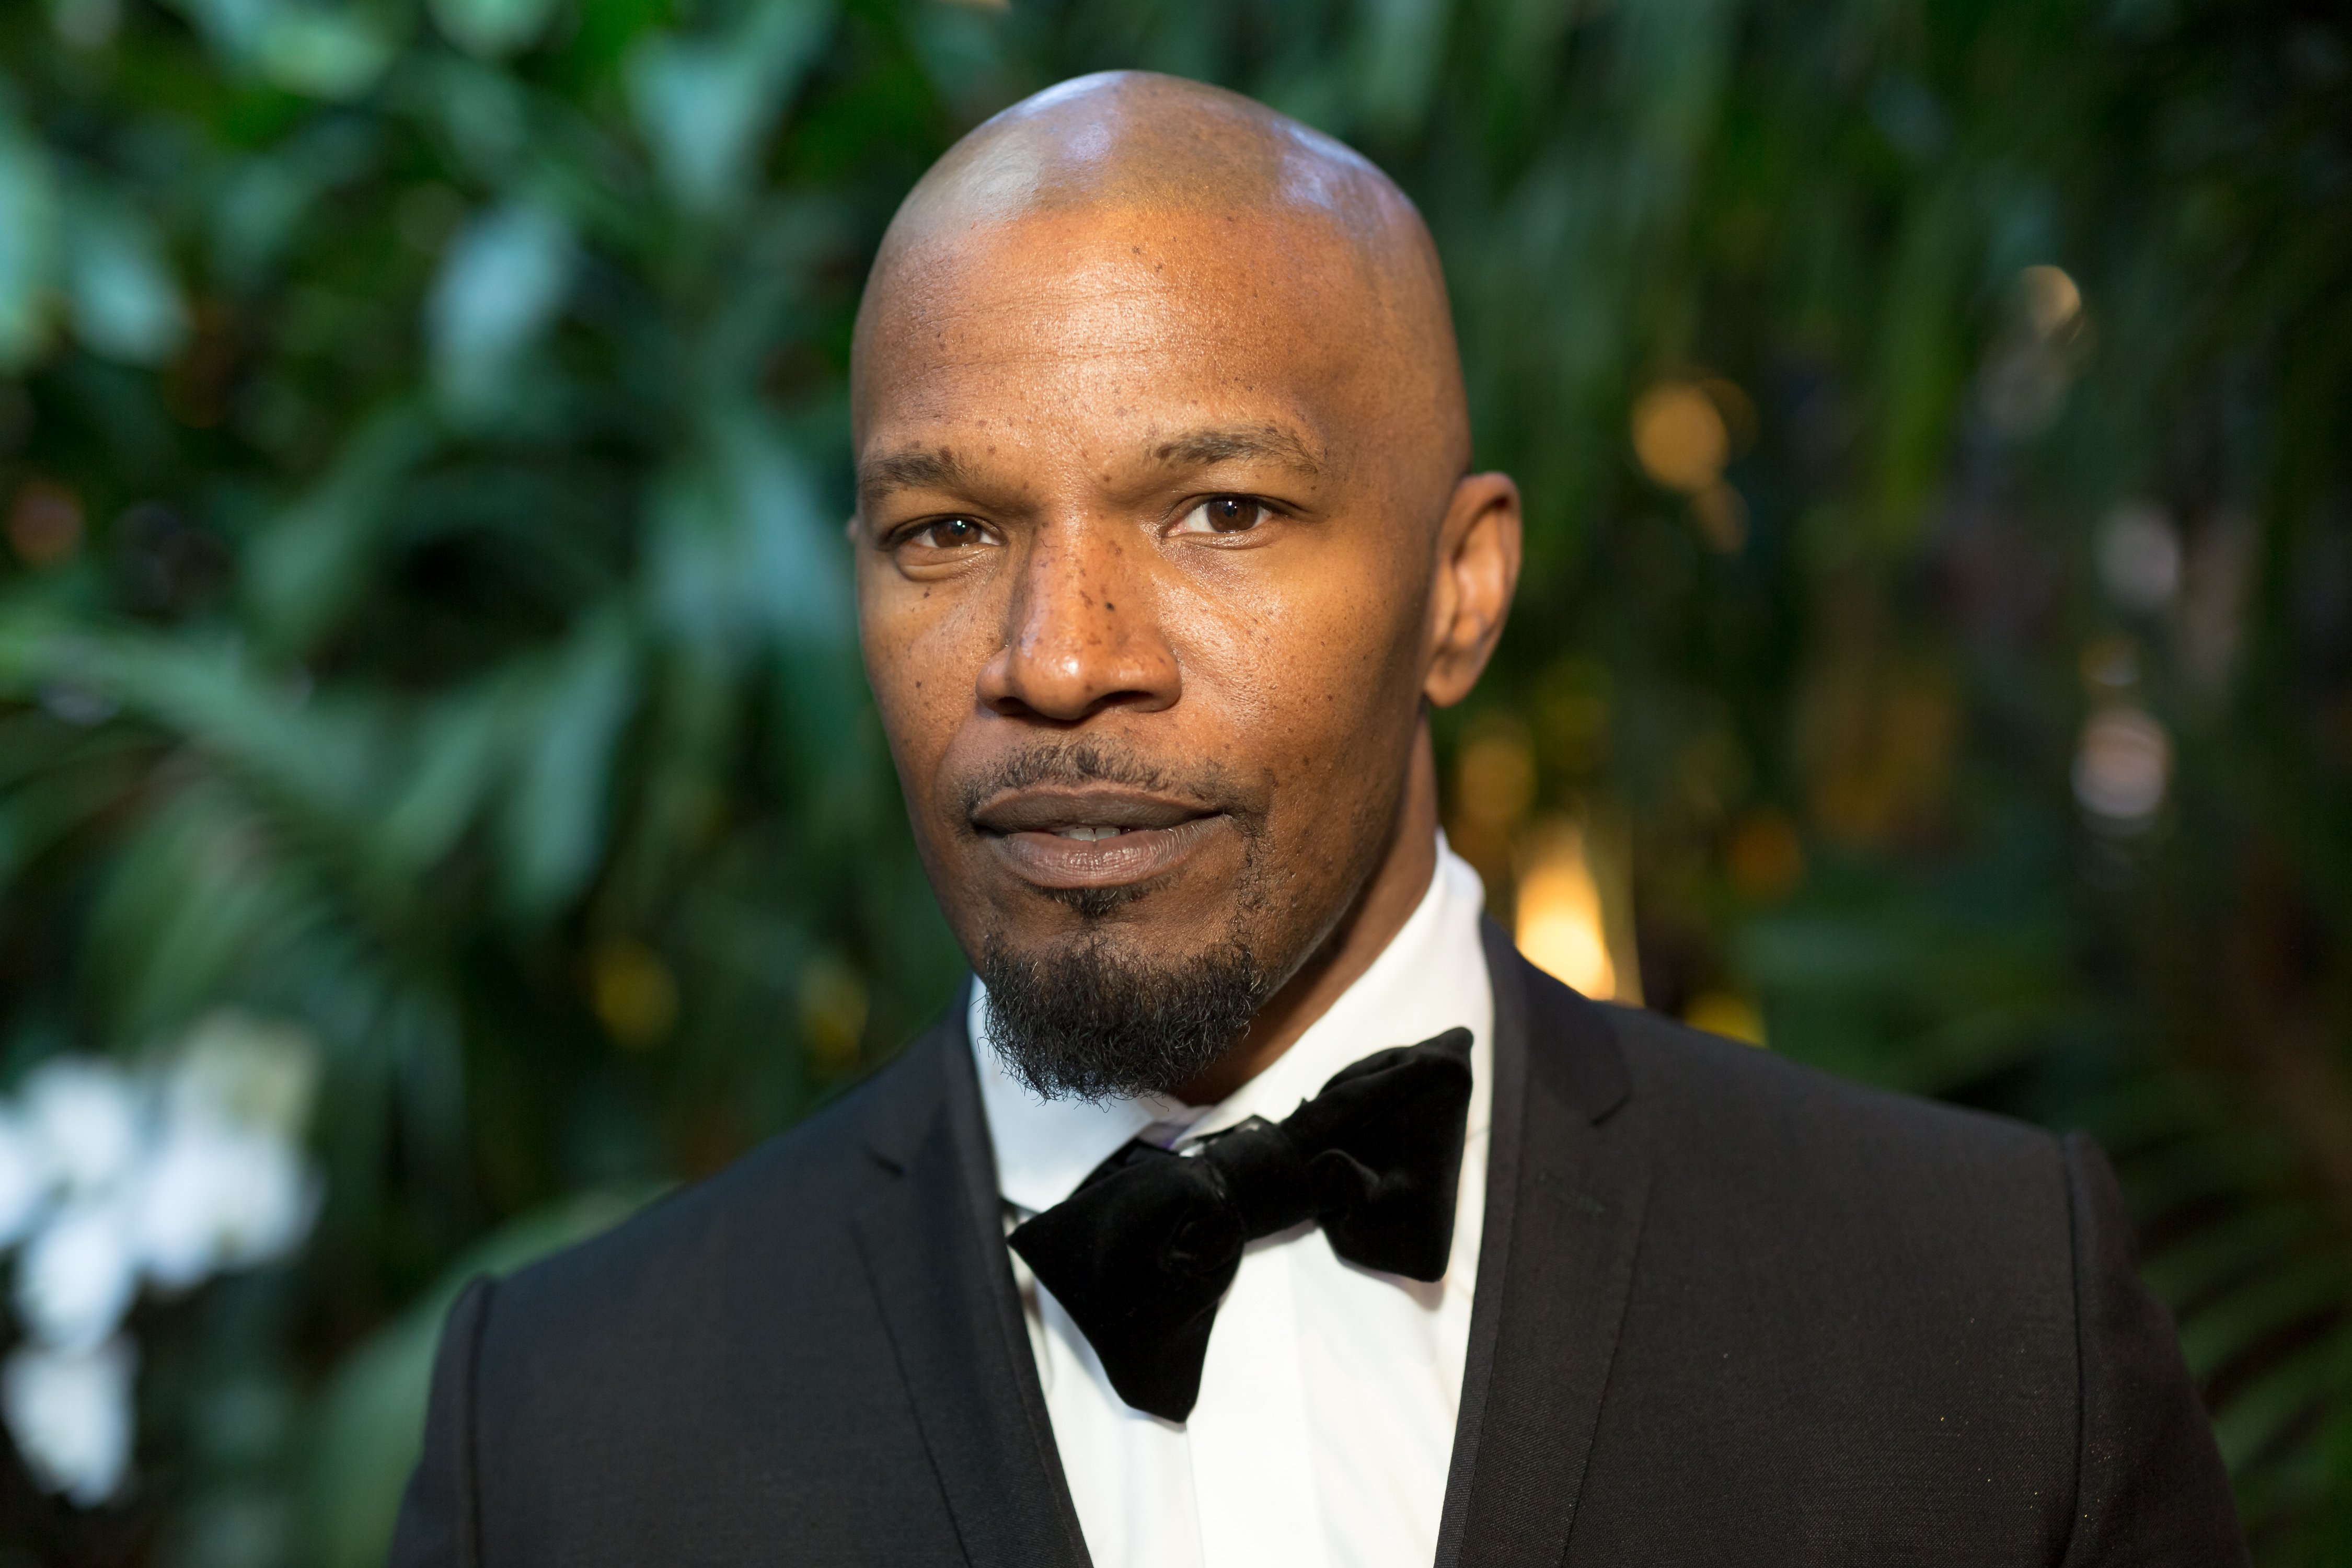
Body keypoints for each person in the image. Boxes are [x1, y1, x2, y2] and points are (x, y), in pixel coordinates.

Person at [388, 71, 2245, 1568]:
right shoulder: (562, 1430)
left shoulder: (1981, 1315)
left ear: (1460, 589)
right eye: (947, 535)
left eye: (1220, 514)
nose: (1059, 662)